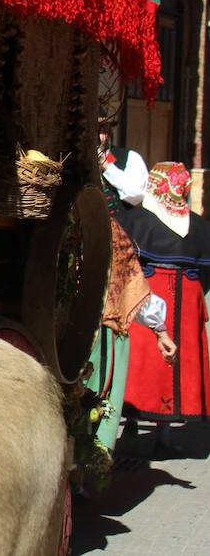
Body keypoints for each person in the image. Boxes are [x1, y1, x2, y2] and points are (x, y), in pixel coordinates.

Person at [87, 140, 176, 453]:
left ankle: (90, 466)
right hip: (77, 337)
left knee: (101, 402)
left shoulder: (114, 237)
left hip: (106, 331)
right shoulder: (63, 231)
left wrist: (160, 329)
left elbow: (130, 283)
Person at [115, 162, 210, 429]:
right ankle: (161, 432)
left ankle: (137, 426)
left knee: (144, 363)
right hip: (185, 295)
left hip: (147, 290)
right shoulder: (198, 226)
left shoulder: (134, 220)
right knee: (157, 363)